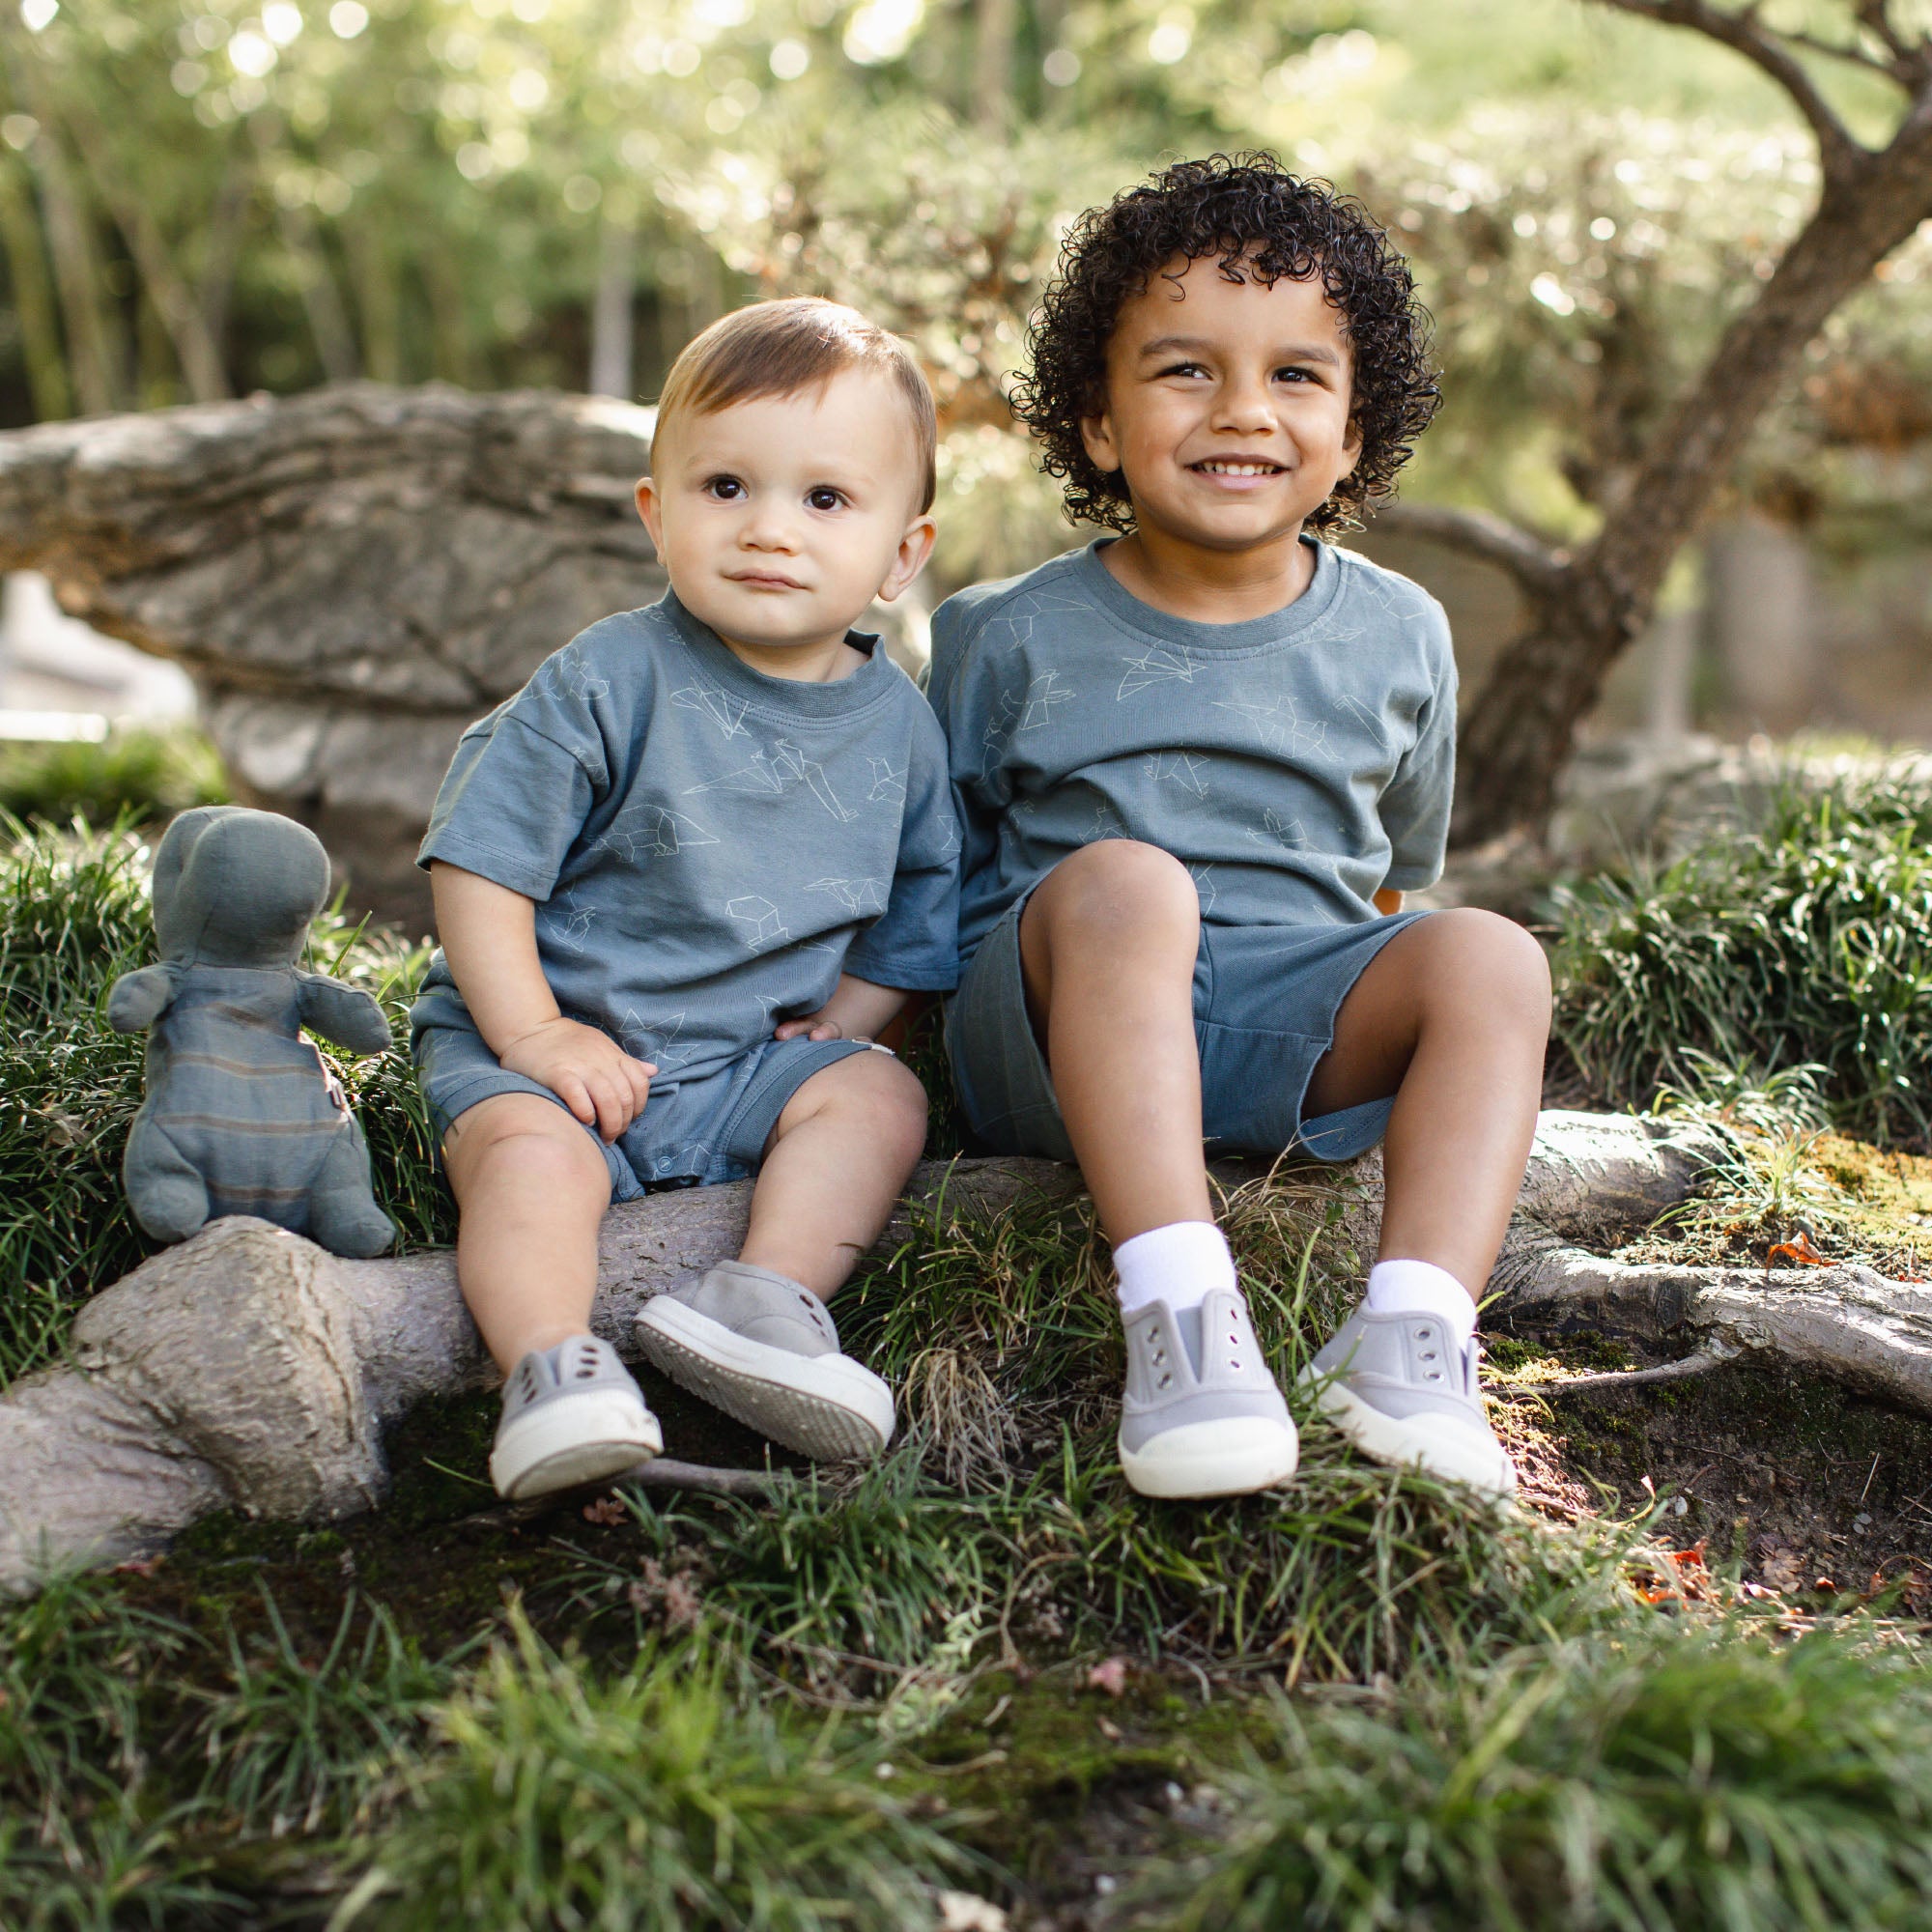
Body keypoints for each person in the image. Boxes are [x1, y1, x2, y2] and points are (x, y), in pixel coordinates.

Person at [929, 155, 1549, 1503]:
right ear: (1098, 422)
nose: (1242, 411)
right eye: (1185, 370)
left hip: (1283, 1033)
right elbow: (935, 872)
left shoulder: (1401, 632)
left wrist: (1383, 999)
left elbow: (1392, 882)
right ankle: (1180, 1314)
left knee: (1492, 954)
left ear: (1353, 430)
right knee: (1130, 885)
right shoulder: (1003, 634)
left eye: (1294, 375)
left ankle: (1411, 1338)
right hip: (1051, 1032)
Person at [411, 298, 959, 1500]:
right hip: (550, 1046)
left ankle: (762, 1300)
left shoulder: (903, 730)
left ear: (901, 554)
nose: (769, 528)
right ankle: (551, 1368)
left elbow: (917, 911)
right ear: (657, 511)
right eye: (725, 487)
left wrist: (846, 1023)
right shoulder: (606, 679)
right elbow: (479, 864)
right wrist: (534, 1033)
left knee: (879, 1097)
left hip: (739, 1064)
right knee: (529, 1162)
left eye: (825, 498)